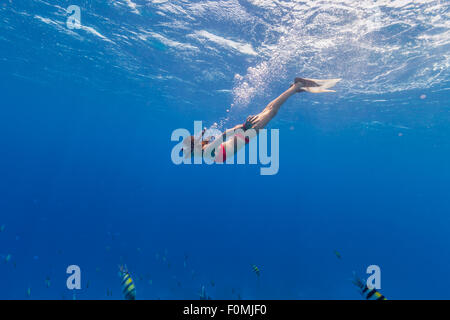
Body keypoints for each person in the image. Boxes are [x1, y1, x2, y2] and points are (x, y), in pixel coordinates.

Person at [183, 77, 341, 163]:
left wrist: (244, 127)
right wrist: (242, 128)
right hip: (243, 133)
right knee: (269, 110)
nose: (187, 157)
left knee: (271, 112)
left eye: (186, 153)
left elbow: (223, 136)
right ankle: (294, 88)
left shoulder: (206, 153)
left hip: (245, 133)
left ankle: (297, 86)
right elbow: (224, 137)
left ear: (193, 149)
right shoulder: (204, 153)